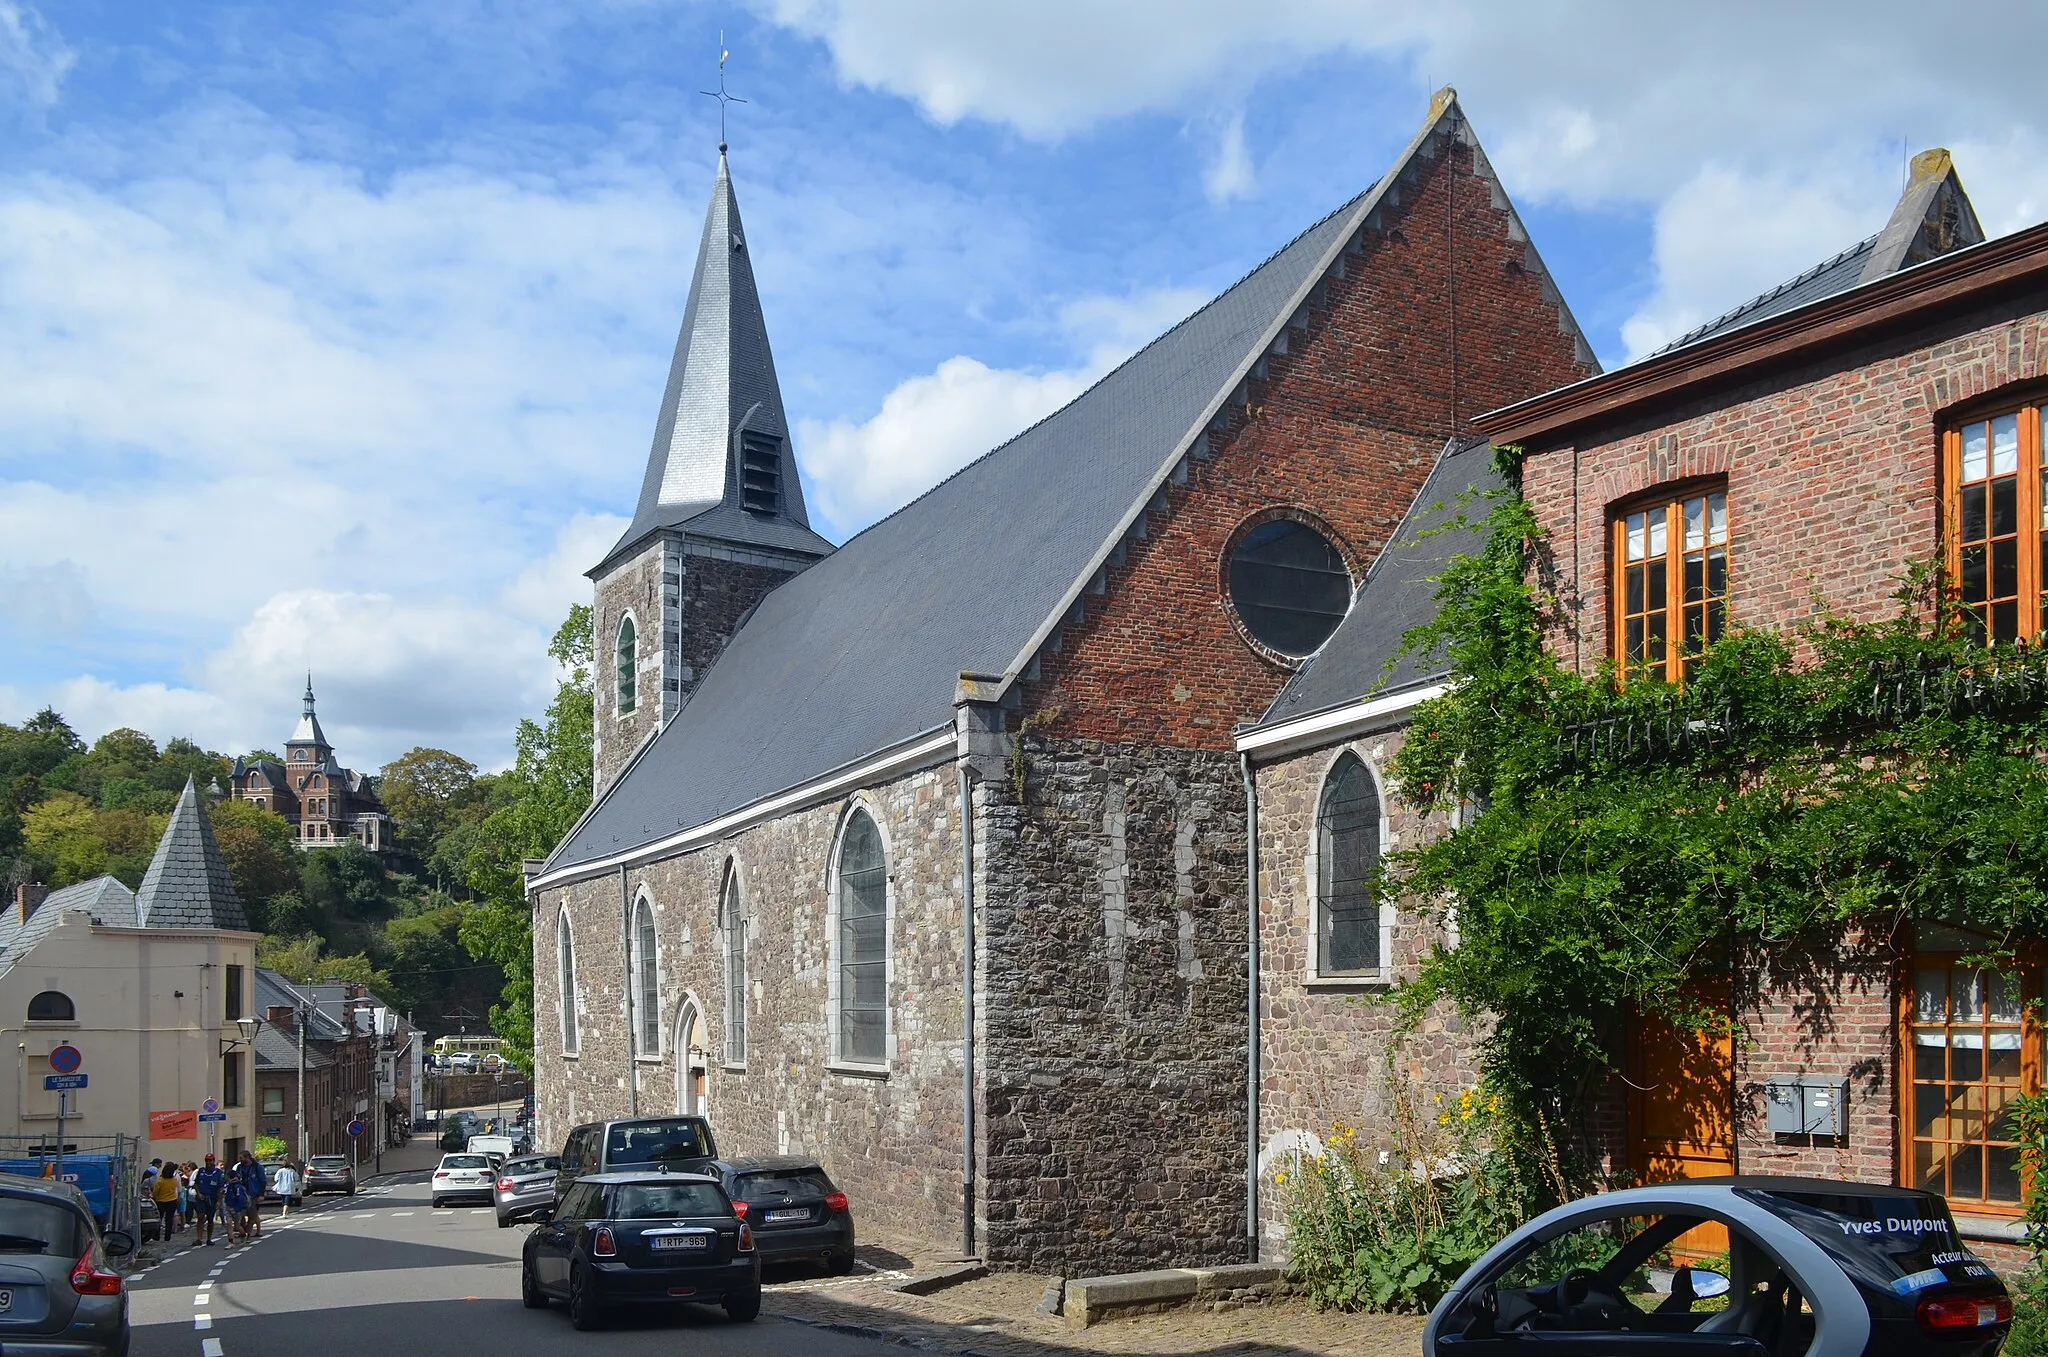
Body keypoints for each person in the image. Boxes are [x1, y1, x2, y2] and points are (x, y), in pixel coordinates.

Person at [191, 1153, 226, 1246]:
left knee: (210, 1219)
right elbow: (195, 1184)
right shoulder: (201, 1171)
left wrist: (219, 1201)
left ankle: (209, 1239)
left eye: (210, 1160)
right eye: (207, 1160)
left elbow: (221, 1188)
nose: (208, 1162)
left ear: (213, 1161)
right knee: (200, 1217)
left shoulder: (218, 1173)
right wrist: (198, 1193)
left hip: (212, 1198)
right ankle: (199, 1238)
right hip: (201, 1198)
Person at [234, 1151, 268, 1238]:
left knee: (252, 1216)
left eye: (241, 1158)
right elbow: (236, 1178)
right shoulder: (239, 1167)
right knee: (240, 1214)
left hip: (253, 1194)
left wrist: (261, 1194)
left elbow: (263, 1181)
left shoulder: (257, 1167)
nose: (240, 1160)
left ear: (247, 1158)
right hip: (241, 1194)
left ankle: (248, 1234)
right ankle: (243, 1231)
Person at [149, 1156, 179, 1239]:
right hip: (172, 1200)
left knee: (159, 1218)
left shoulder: (160, 1180)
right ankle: (167, 1236)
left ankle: (157, 1236)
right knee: (169, 1219)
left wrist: (154, 1197)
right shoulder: (173, 1180)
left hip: (161, 1201)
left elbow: (155, 1191)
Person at [220, 1172, 249, 1245]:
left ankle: (243, 1235)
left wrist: (238, 1208)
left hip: (236, 1208)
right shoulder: (227, 1185)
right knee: (229, 1224)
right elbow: (223, 1192)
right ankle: (231, 1242)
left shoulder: (237, 1186)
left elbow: (240, 1198)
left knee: (237, 1226)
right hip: (228, 1206)